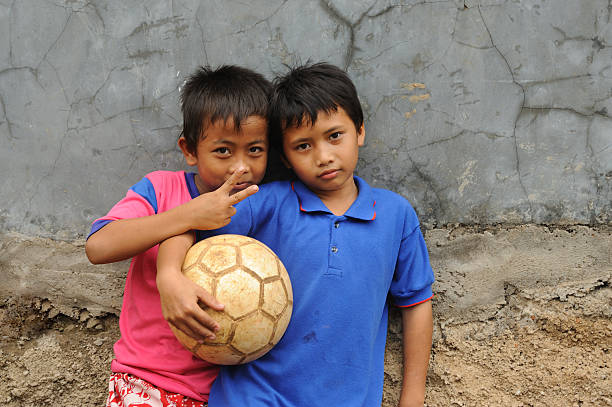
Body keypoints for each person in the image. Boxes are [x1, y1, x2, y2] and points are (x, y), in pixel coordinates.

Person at [157, 62, 435, 407]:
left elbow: (416, 303)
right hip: (254, 395)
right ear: (284, 156)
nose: (323, 157)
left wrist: (413, 397)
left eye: (335, 136)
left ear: (360, 131)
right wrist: (168, 273)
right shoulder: (266, 202)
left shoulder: (396, 215)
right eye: (303, 146)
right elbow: (188, 224)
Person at [85, 65, 273, 406]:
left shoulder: (265, 206)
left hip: (224, 392)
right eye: (223, 151)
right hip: (145, 381)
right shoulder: (162, 188)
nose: (240, 166)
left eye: (255, 150)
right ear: (189, 150)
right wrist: (187, 214)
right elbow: (98, 246)